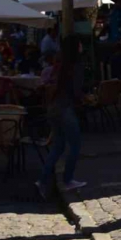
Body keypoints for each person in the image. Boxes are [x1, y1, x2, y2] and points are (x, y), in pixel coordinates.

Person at [35, 34, 86, 197]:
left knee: (58, 146)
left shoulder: (59, 64)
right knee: (75, 144)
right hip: (65, 108)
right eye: (79, 44)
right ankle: (68, 178)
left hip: (54, 107)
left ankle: (42, 180)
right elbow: (76, 90)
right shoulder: (75, 66)